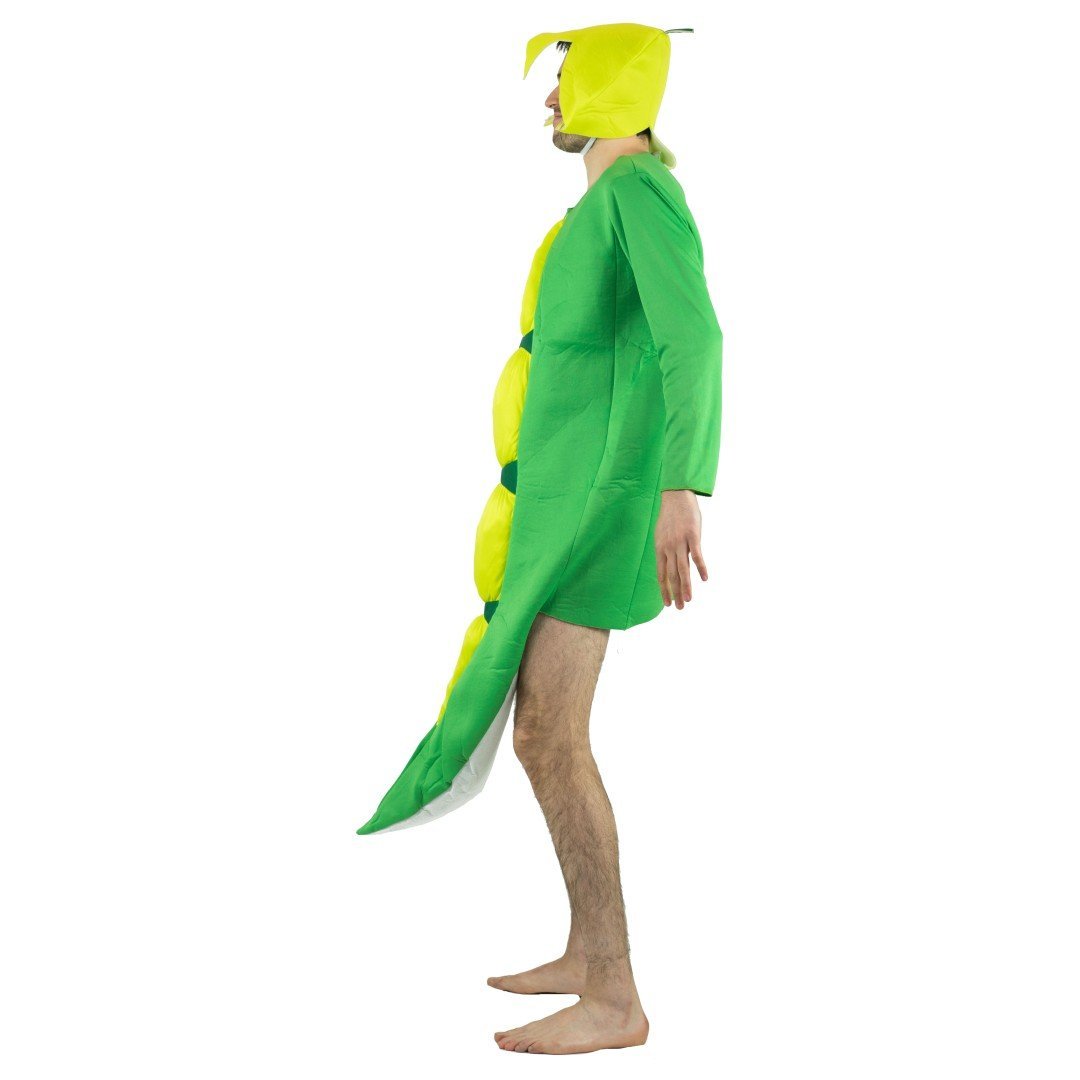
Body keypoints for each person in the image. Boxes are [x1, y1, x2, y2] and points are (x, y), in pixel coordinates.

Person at [357, 23, 722, 1056]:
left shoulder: (638, 192)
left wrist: (682, 486)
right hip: (572, 511)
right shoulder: (606, 202)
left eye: (568, 78)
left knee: (550, 736)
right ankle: (589, 952)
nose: (552, 99)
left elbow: (693, 336)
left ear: (614, 82)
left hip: (602, 517)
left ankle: (614, 996)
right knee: (546, 736)